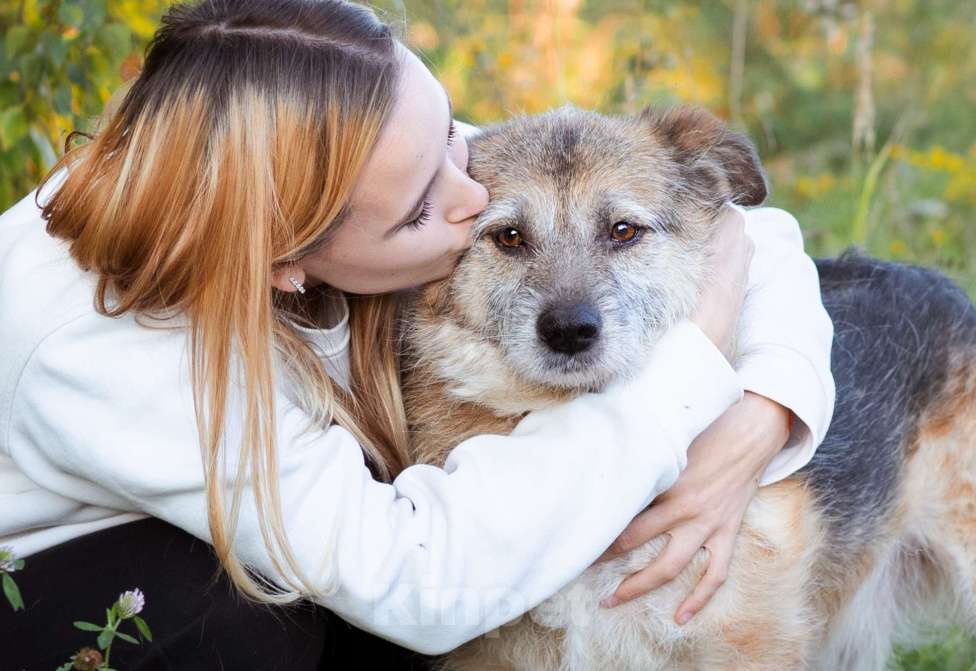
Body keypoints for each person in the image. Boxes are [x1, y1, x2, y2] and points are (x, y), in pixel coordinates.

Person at [0, 0, 834, 668]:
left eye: (446, 138)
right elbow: (417, 584)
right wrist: (684, 384)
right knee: (251, 617)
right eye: (419, 210)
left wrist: (760, 417)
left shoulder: (347, 145)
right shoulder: (101, 351)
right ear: (286, 261)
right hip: (64, 583)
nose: (470, 192)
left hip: (306, 528)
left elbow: (754, 230)